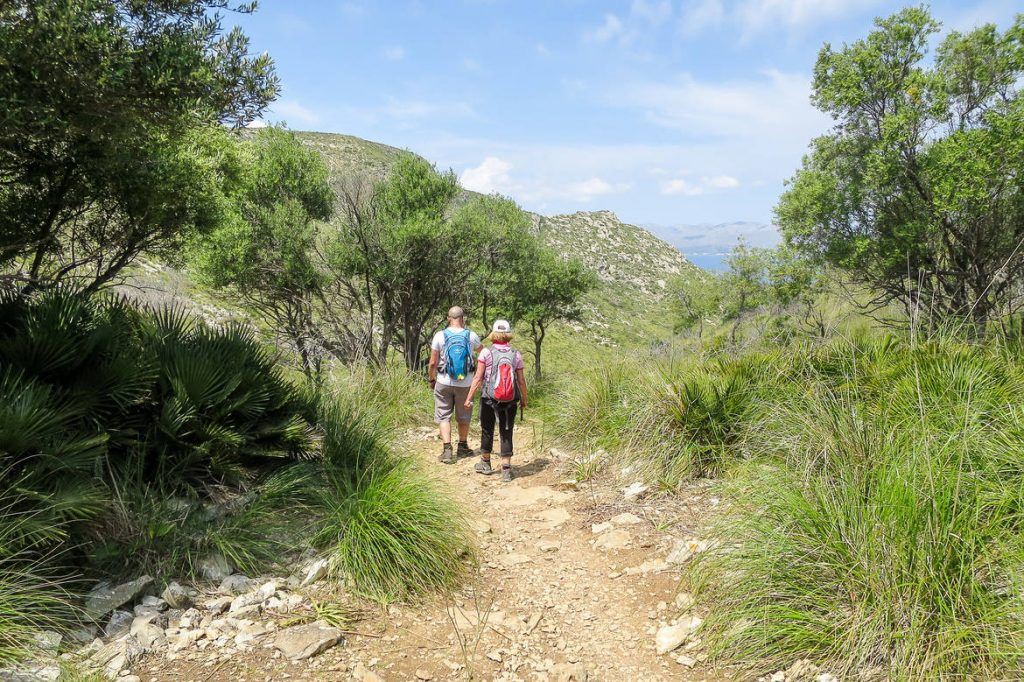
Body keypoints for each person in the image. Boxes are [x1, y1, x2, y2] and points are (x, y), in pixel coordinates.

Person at [464, 319, 527, 482]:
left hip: (489, 398)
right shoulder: (516, 354)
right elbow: (521, 380)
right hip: (510, 400)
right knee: (506, 431)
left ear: (493, 333)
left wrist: (469, 397)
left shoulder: (486, 353)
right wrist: (524, 399)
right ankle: (506, 470)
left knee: (487, 429)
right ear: (508, 334)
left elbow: (478, 378)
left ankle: (485, 462)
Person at [428, 306, 482, 464]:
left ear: (448, 318)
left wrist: (432, 379)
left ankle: (447, 450)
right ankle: (463, 446)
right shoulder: (471, 336)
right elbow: (483, 353)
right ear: (463, 318)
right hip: (465, 382)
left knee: (444, 415)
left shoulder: (440, 335)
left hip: (444, 380)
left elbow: (432, 362)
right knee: (464, 414)